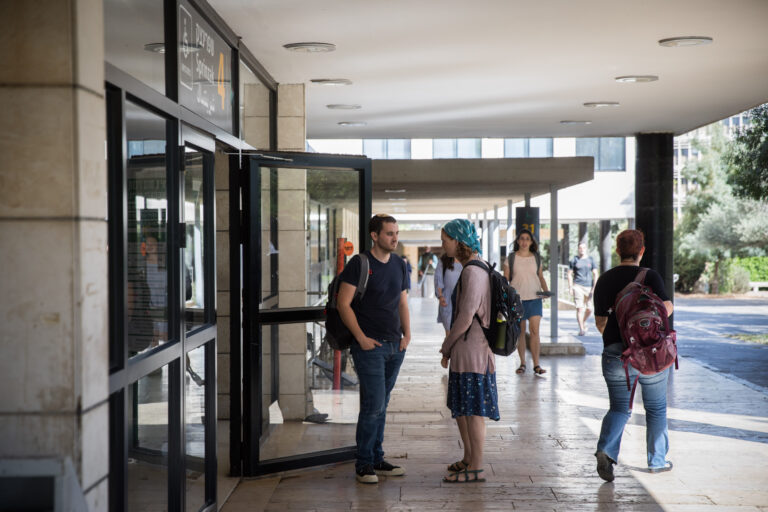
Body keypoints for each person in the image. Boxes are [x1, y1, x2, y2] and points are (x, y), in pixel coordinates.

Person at [593, 229, 674, 481]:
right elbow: (668, 307)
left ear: (618, 251)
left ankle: (606, 450)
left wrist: (619, 335)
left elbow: (600, 321)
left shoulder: (605, 280)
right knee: (656, 407)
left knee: (619, 408)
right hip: (652, 354)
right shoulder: (651, 276)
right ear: (641, 250)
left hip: (617, 353)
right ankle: (657, 461)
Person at [337, 214, 411, 484]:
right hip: (370, 347)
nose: (394, 238)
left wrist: (408, 335)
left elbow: (402, 302)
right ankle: (364, 463)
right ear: (375, 235)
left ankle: (377, 458)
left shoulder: (400, 265)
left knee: (382, 405)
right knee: (373, 405)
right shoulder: (360, 263)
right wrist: (361, 338)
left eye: (397, 233)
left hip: (395, 345)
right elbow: (343, 304)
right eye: (390, 233)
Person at [439, 219, 498, 483]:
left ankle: (477, 466)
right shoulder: (471, 268)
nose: (443, 246)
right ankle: (468, 458)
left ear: (459, 241)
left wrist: (446, 346)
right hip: (467, 352)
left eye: (446, 241)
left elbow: (465, 316)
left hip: (474, 352)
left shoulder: (474, 271)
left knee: (473, 411)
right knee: (463, 408)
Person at [504, 229, 549, 375]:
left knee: (535, 331)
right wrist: (506, 297)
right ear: (518, 241)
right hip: (517, 300)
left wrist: (546, 290)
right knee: (521, 332)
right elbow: (505, 280)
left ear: (531, 242)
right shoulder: (510, 258)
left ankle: (537, 365)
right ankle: (523, 363)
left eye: (527, 239)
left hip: (535, 298)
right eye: (522, 238)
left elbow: (540, 277)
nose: (524, 241)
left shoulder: (536, 257)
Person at [568, 242, 599, 336]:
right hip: (577, 286)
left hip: (588, 287)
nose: (582, 249)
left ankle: (583, 321)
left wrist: (594, 287)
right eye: (580, 248)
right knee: (580, 308)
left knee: (589, 309)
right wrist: (570, 287)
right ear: (578, 249)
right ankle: (581, 329)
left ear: (586, 249)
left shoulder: (590, 260)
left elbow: (595, 273)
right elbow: (569, 273)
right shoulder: (574, 260)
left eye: (583, 248)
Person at [435, 253, 463, 335]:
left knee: (460, 334)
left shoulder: (466, 260)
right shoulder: (443, 261)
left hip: (463, 301)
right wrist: (440, 296)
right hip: (447, 301)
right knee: (449, 333)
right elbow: (438, 279)